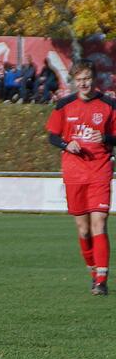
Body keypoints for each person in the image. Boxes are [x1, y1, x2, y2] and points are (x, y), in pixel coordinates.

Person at [46, 60, 116, 296]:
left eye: (87, 78)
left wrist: (105, 138)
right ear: (74, 82)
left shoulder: (108, 105)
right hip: (74, 174)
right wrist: (68, 144)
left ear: (93, 79)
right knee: (83, 229)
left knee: (99, 223)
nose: (84, 83)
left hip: (100, 171)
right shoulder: (64, 105)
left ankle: (101, 280)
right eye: (79, 80)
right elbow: (53, 137)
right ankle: (93, 271)